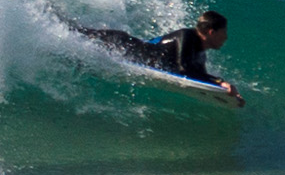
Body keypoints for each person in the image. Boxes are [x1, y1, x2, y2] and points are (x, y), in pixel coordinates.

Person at [77, 9, 244, 106]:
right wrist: (220, 82)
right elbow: (183, 69)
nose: (226, 37)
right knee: (73, 30)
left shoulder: (200, 54)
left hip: (127, 46)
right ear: (211, 32)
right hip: (120, 44)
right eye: (224, 32)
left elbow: (199, 78)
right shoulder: (186, 36)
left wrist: (225, 93)